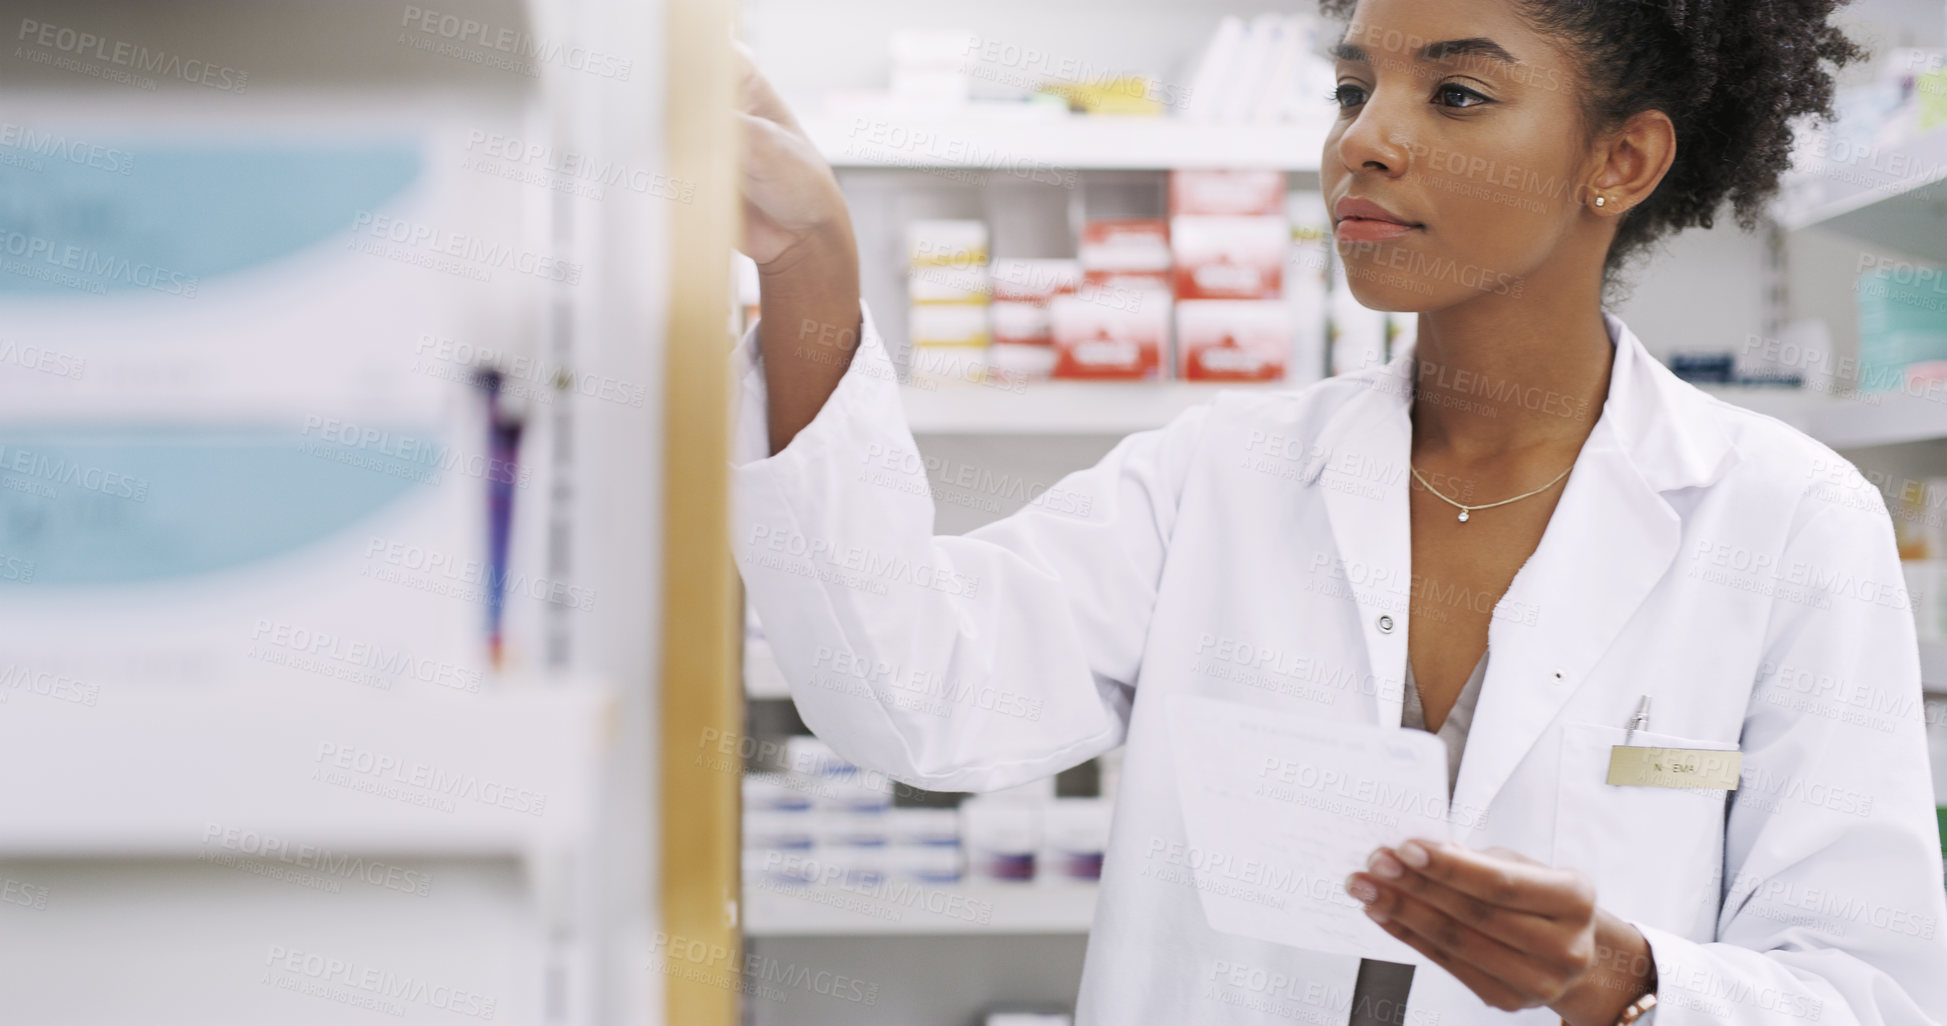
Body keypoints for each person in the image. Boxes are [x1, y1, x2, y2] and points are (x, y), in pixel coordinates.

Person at [727, 0, 1947, 1023]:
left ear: (1617, 160)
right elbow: (917, 695)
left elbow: (1867, 989)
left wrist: (1622, 979)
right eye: (1353, 89)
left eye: (1455, 95)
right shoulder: (1220, 475)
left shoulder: (1789, 524)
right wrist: (812, 268)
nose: (1365, 140)